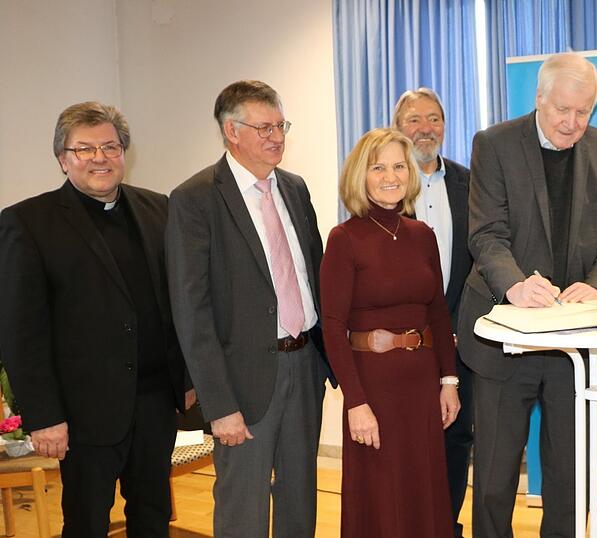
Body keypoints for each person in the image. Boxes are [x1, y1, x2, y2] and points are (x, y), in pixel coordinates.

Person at [457, 52, 597, 537]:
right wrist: (514, 284)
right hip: (504, 336)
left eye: (583, 112)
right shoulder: (494, 144)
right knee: (494, 479)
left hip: (572, 342)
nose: (572, 123)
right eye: (562, 110)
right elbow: (486, 233)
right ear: (539, 99)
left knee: (568, 476)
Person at [0, 101, 192, 536]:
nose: (99, 158)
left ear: (124, 152)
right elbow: (20, 332)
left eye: (110, 146)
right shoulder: (27, 222)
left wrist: (186, 377)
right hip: (82, 412)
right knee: (86, 524)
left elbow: (175, 303)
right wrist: (43, 416)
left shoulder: (159, 209)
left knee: (154, 517)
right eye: (84, 149)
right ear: (62, 159)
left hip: (155, 403)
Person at [166, 80, 333, 537]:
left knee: (300, 498)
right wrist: (218, 404)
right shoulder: (195, 198)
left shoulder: (294, 188)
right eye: (264, 128)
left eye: (280, 125)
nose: (276, 137)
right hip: (242, 381)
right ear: (231, 131)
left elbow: (314, 275)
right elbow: (192, 311)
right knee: (244, 505)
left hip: (304, 365)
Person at [320, 127, 460, 537]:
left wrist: (448, 381)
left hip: (421, 386)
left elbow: (438, 313)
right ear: (360, 175)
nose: (390, 176)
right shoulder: (344, 239)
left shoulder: (422, 235)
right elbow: (333, 327)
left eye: (399, 166)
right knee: (380, 494)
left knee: (422, 488)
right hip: (373, 389)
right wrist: (356, 403)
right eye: (378, 167)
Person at [393, 87, 474, 537]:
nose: (426, 129)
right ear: (397, 128)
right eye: (414, 120)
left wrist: (457, 327)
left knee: (455, 437)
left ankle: (447, 526)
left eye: (434, 119)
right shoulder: (385, 186)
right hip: (401, 346)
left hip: (459, 341)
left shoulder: (471, 183)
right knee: (406, 441)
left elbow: (480, 260)